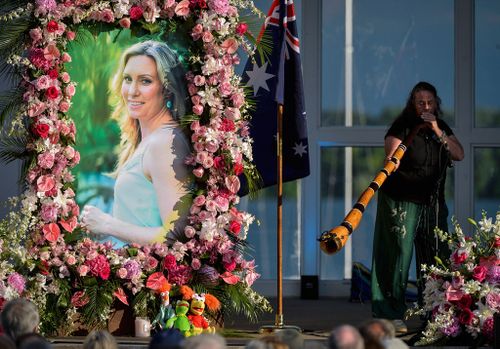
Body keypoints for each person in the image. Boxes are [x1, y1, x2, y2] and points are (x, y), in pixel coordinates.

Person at [371, 81, 464, 333]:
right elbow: (391, 160)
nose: (425, 106)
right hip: (400, 199)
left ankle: (435, 311)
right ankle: (389, 314)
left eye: (429, 102)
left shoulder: (440, 127)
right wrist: (395, 159)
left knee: (435, 255)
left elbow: (459, 154)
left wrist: (436, 129)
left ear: (436, 104)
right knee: (398, 255)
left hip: (433, 202)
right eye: (420, 101)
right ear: (412, 104)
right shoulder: (402, 126)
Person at [81, 40, 192, 248]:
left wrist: (107, 223)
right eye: (127, 79)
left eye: (145, 81)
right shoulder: (149, 140)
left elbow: (175, 236)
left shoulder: (164, 143)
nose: (132, 91)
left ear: (166, 89)